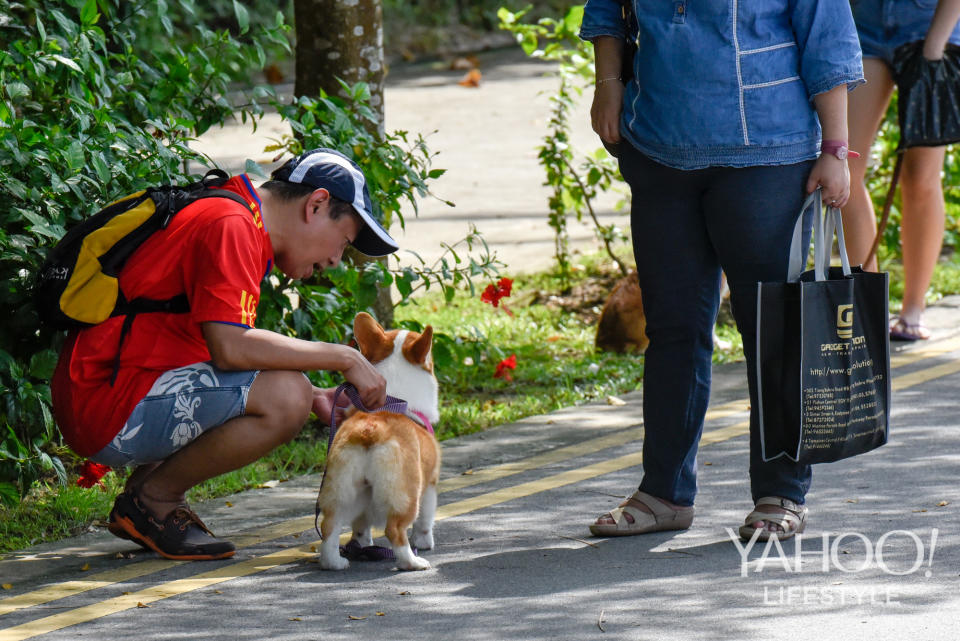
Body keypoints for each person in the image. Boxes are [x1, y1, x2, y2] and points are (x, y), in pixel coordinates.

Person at [579, 1, 864, 540]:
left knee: (771, 331)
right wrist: (608, 82)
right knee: (673, 331)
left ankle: (781, 492)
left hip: (768, 156)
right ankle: (663, 492)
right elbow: (607, 11)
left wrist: (835, 147)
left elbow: (827, 38)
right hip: (659, 149)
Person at [51, 148, 398, 560]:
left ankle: (145, 499)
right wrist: (346, 358)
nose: (335, 260)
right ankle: (154, 502)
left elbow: (223, 348)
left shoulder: (239, 217)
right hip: (108, 404)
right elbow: (231, 348)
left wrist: (318, 394)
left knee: (297, 391)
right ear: (317, 204)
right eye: (344, 241)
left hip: (116, 389)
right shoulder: (231, 224)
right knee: (287, 397)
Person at [843, 0, 960, 341]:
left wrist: (934, 47)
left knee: (920, 178)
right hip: (863, 26)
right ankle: (867, 306)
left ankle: (913, 307)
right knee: (846, 171)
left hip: (930, 27)